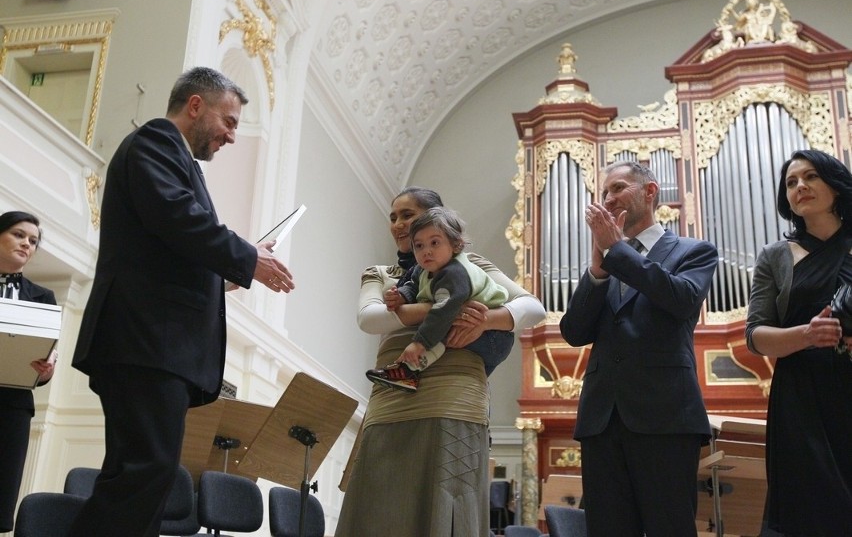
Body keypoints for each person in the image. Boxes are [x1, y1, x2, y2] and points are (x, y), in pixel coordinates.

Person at [68, 67, 295, 537]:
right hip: (145, 344)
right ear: (196, 105)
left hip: (152, 345)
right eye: (229, 122)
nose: (232, 136)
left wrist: (225, 279)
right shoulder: (155, 141)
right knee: (142, 478)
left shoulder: (177, 160)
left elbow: (169, 248)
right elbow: (179, 218)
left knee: (144, 479)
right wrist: (246, 257)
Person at [335, 187, 545, 536]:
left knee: (448, 500)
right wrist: (450, 309)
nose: (399, 224)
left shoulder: (471, 266)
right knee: (379, 503)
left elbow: (533, 308)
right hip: (393, 393)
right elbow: (370, 319)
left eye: (408, 215)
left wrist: (487, 319)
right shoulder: (382, 274)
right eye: (393, 217)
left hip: (455, 391)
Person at [560, 161, 717, 537]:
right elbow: (574, 332)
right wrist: (597, 274)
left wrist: (616, 250)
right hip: (603, 418)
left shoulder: (693, 251)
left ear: (649, 192)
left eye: (617, 189)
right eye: (603, 194)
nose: (608, 199)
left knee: (670, 528)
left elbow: (681, 300)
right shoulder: (609, 261)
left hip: (666, 416)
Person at [746, 149, 852, 536]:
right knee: (806, 511)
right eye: (791, 182)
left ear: (835, 185)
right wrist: (806, 334)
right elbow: (756, 336)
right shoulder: (774, 256)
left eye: (810, 177)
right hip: (801, 397)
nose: (800, 187)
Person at [365, 206, 513, 391]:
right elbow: (415, 285)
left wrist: (419, 343)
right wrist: (402, 296)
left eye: (434, 243)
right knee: (447, 324)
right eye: (419, 245)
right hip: (482, 332)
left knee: (445, 322)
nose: (426, 251)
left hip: (494, 338)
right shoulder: (424, 269)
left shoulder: (454, 273)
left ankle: (409, 370)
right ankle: (409, 372)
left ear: (456, 245)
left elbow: (443, 310)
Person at [0, 211, 57, 533]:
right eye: (18, 234)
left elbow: (44, 368)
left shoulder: (43, 298)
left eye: (33, 241)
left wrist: (47, 369)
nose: (26, 243)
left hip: (11, 408)